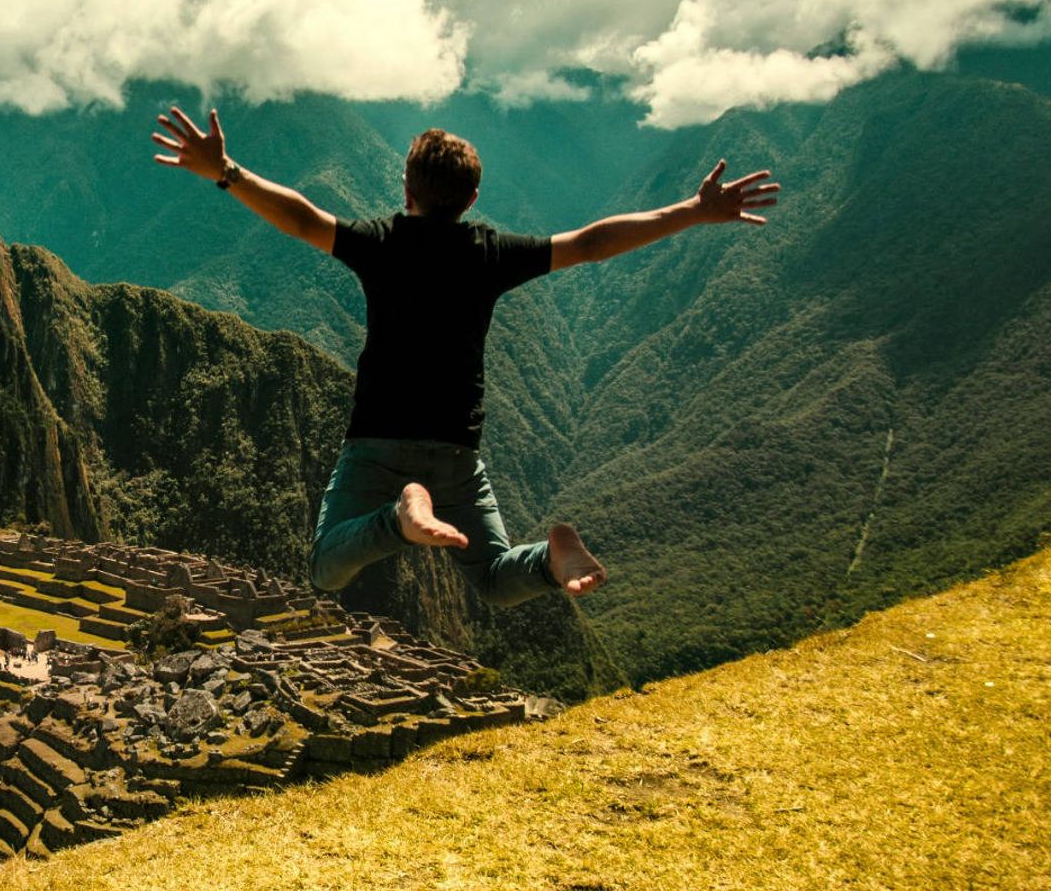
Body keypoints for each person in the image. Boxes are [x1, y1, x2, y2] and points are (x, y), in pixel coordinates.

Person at [151, 108, 778, 606]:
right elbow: (592, 244)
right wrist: (693, 211)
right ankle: (551, 554)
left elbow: (300, 218)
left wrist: (225, 171)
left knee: (324, 568)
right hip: (455, 454)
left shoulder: (380, 244)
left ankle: (400, 519)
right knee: (497, 580)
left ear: (406, 188)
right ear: (472, 198)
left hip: (378, 444)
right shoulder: (489, 253)